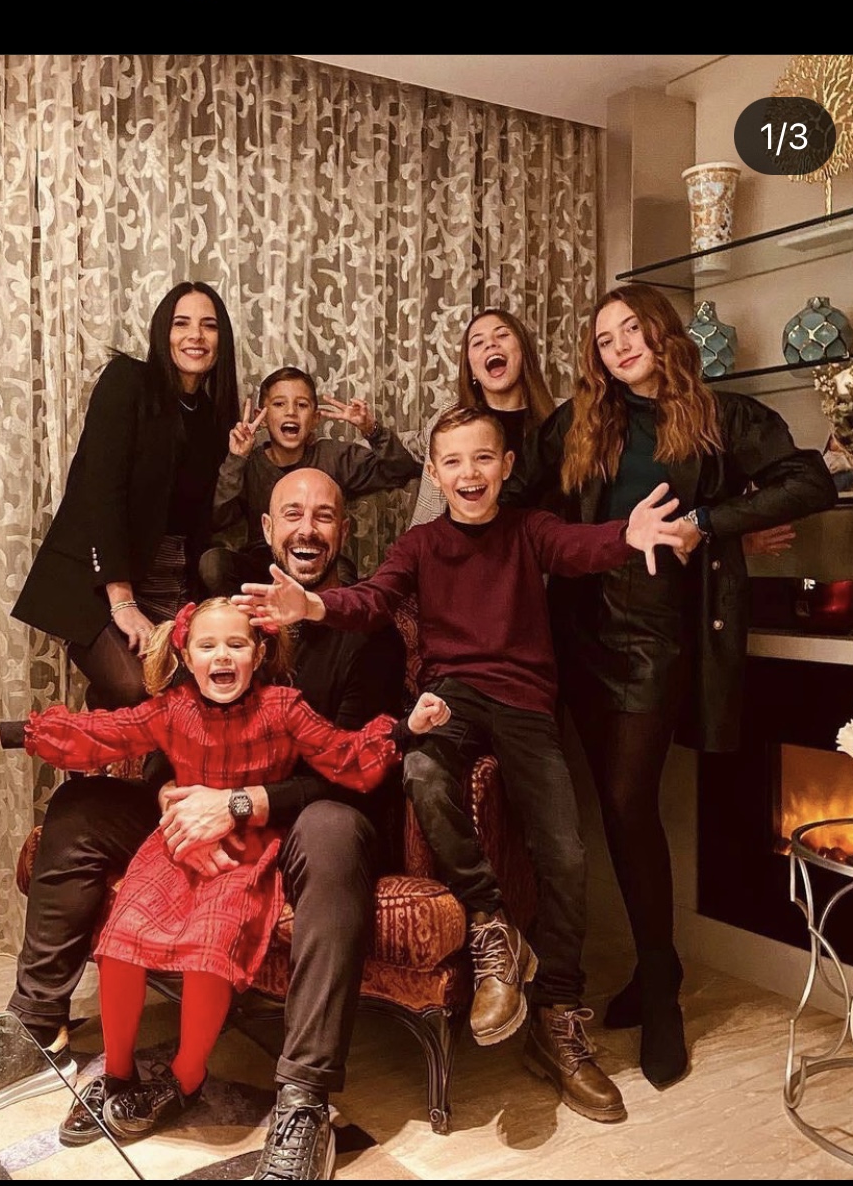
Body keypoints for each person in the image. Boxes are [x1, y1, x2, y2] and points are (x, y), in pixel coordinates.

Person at [0, 468, 407, 1181]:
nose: (307, 528)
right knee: (79, 807)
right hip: (194, 803)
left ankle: (303, 1098)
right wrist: (172, 799)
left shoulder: (367, 633)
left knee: (333, 830)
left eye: (324, 516)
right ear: (267, 526)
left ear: (343, 529)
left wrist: (240, 805)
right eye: (291, 513)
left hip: (301, 817)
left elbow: (349, 765)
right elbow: (154, 727)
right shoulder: (225, 611)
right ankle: (35, 1024)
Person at [238, 406, 690, 1123]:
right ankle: (489, 921)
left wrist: (624, 537)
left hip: (525, 705)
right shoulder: (419, 544)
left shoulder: (529, 529)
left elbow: (577, 547)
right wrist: (314, 606)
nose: (468, 473)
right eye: (452, 461)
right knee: (420, 770)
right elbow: (373, 599)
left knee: (566, 852)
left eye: (482, 458)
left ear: (505, 467)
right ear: (435, 472)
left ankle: (557, 1017)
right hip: (451, 695)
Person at [512, 283, 838, 1087]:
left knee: (628, 804)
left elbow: (811, 481)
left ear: (662, 332)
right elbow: (520, 504)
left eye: (632, 328)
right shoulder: (577, 422)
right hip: (580, 630)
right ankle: (654, 966)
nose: (620, 345)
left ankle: (660, 988)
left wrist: (711, 522)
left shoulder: (719, 415)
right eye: (604, 338)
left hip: (658, 635)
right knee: (613, 808)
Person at [11, 282, 239, 709]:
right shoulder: (128, 381)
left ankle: (104, 731)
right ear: (162, 332)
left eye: (209, 326)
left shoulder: (211, 417)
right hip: (98, 582)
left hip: (170, 581)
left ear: (221, 340)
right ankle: (98, 727)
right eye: (181, 323)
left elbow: (203, 521)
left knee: (193, 696)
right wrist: (122, 601)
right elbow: (102, 490)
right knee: (135, 687)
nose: (195, 335)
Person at [202, 366, 419, 593]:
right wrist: (237, 458)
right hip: (265, 561)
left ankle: (327, 615)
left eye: (302, 405)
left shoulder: (334, 457)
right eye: (279, 404)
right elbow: (219, 518)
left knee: (343, 574)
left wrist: (372, 431)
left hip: (320, 558)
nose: (291, 412)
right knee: (213, 563)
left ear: (315, 418)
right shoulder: (251, 463)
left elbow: (400, 471)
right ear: (261, 417)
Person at [405, 308, 556, 527]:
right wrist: (374, 432)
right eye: (477, 342)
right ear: (472, 369)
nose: (491, 344)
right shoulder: (450, 416)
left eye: (502, 335)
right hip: (456, 544)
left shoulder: (559, 420)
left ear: (524, 352)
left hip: (536, 544)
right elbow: (411, 450)